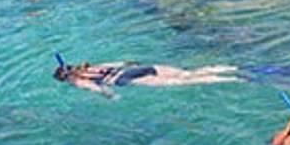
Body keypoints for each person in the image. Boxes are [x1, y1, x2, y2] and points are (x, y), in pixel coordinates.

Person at [53, 59, 243, 96]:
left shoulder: (78, 81)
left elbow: (96, 88)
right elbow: (122, 62)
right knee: (187, 73)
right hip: (139, 68)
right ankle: (232, 68)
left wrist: (110, 96)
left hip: (126, 79)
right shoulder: (91, 66)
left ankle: (234, 80)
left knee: (183, 82)